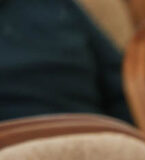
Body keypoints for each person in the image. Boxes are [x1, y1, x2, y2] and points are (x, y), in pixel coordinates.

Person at [0, 0, 132, 123]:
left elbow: (121, 82)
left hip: (94, 128)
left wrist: (129, 133)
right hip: (15, 133)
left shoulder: (57, 5)